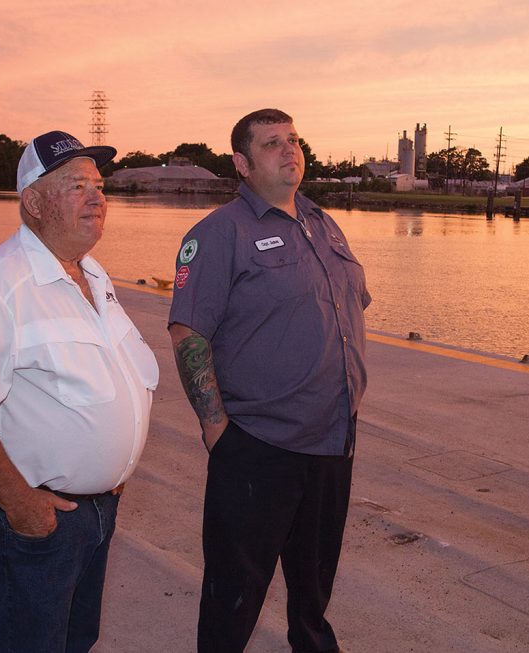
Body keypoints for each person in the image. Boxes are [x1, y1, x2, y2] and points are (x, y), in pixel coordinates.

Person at [0, 130, 158, 653]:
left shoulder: (93, 276)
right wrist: (22, 506)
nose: (97, 197)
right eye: (76, 185)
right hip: (39, 520)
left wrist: (111, 471)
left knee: (76, 640)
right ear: (33, 201)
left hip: (97, 513)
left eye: (99, 186)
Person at [168, 109, 371, 653]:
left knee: (314, 597)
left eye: (294, 140)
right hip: (258, 448)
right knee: (232, 603)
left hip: (332, 443)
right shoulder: (218, 234)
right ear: (242, 162)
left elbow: (347, 308)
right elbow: (189, 333)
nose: (290, 151)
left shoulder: (323, 223)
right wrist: (218, 432)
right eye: (272, 143)